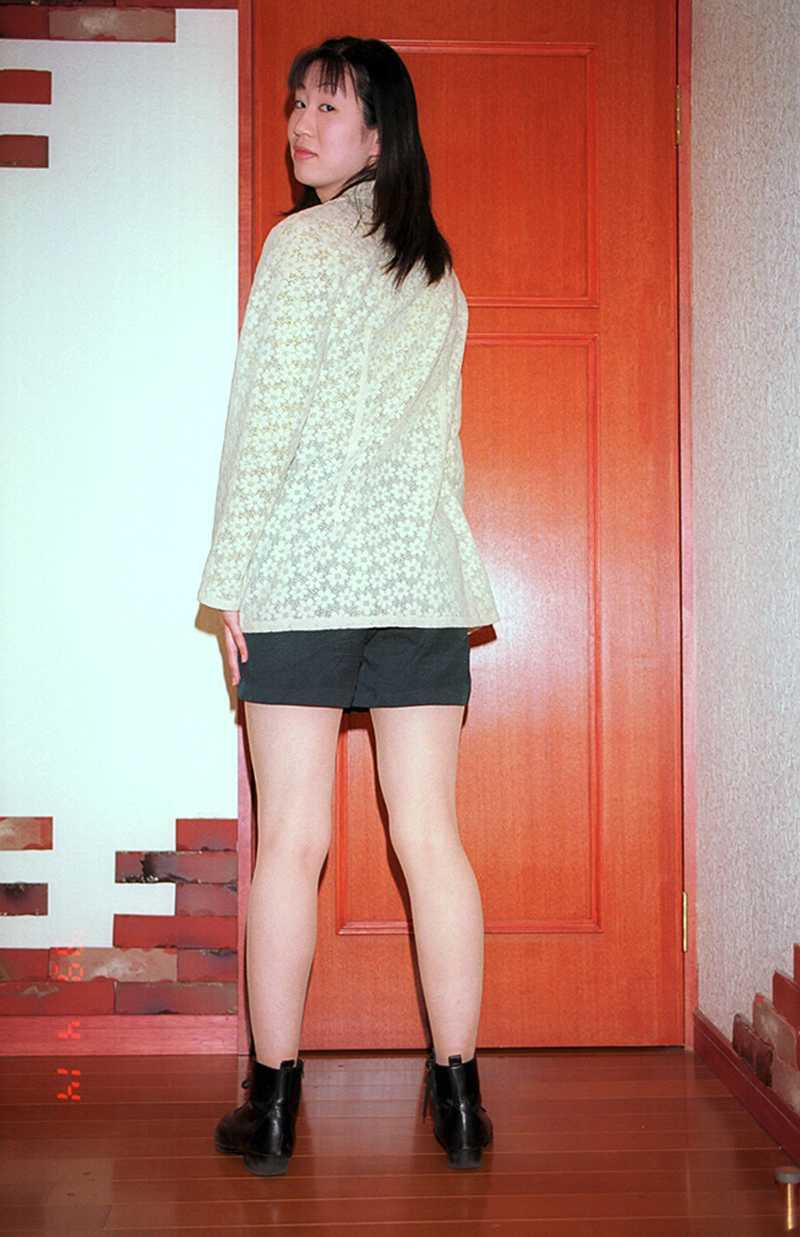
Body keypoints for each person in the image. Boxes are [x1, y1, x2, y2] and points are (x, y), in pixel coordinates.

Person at [198, 35, 498, 1176]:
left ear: (380, 133)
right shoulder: (436, 271)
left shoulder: (301, 245)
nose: (301, 124)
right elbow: (441, 453)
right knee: (431, 837)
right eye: (297, 104)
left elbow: (262, 424)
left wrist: (226, 578)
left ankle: (271, 1106)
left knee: (292, 841)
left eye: (329, 107)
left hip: (307, 580)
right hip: (418, 586)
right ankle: (460, 1102)